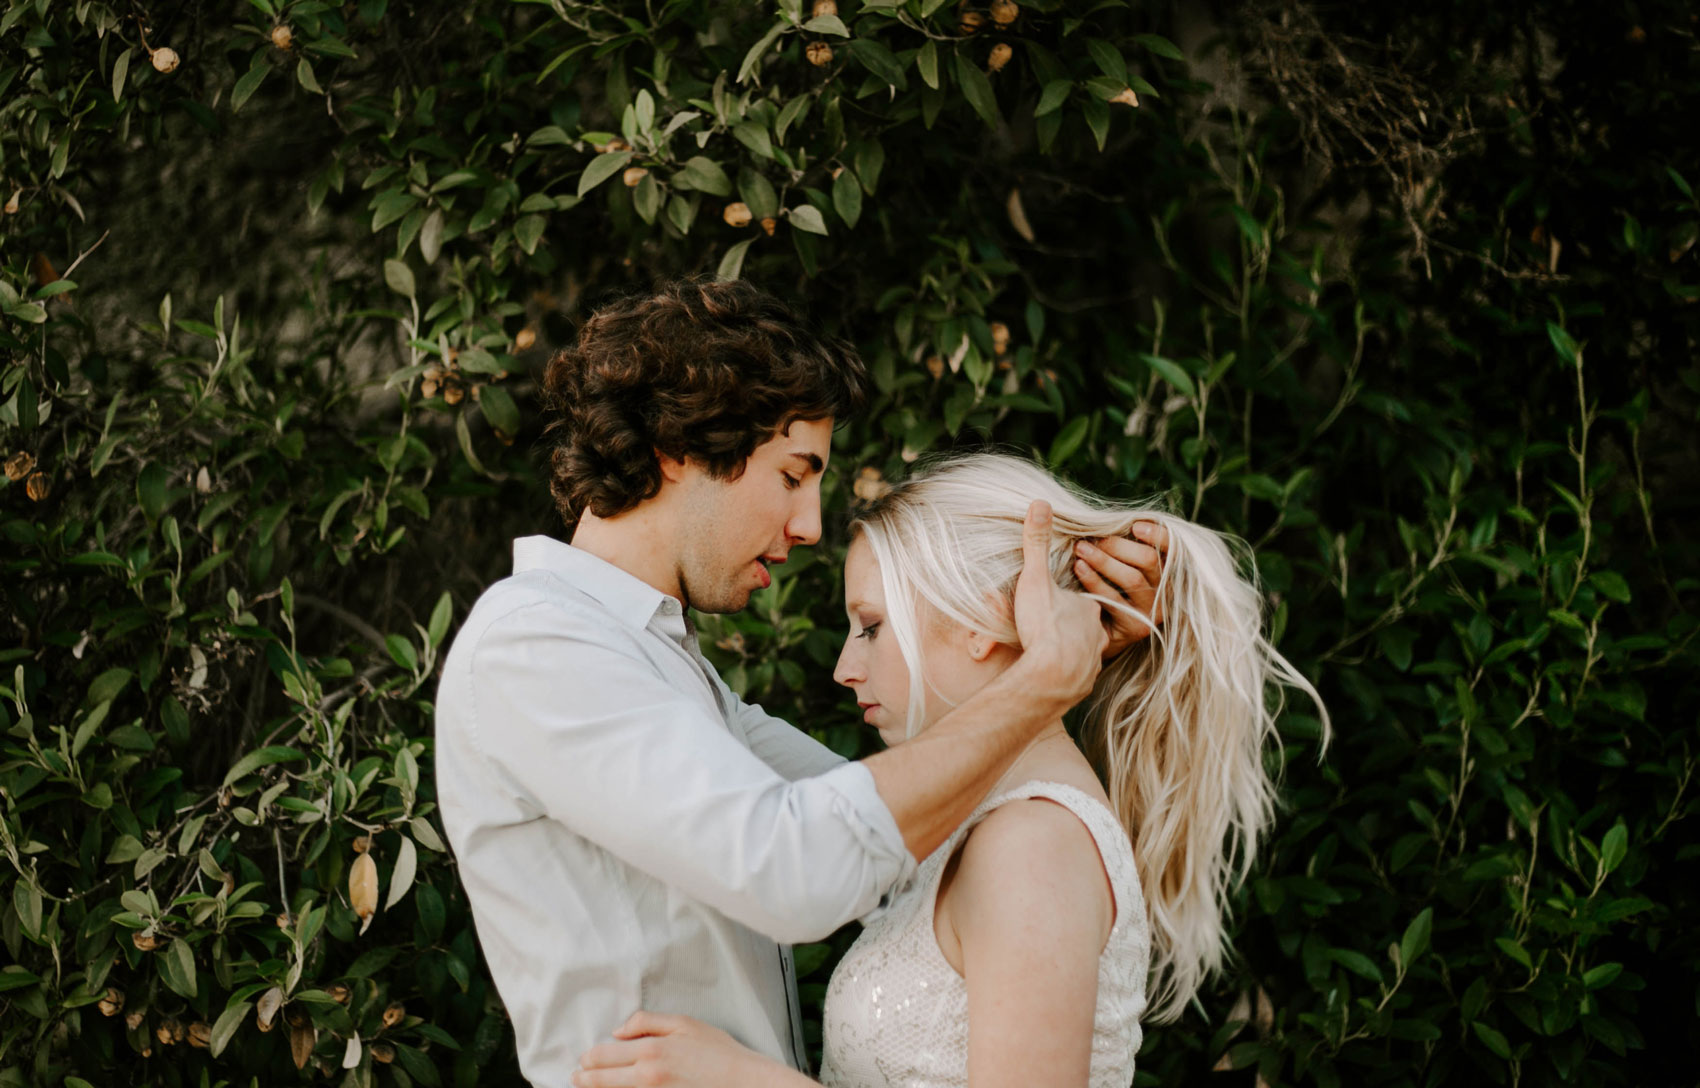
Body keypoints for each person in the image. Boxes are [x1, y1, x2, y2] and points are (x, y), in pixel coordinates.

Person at [433, 281, 1168, 1085]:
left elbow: (897, 836)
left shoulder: (664, 668)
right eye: (793, 476)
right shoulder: (536, 645)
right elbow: (800, 866)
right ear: (677, 449)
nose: (811, 525)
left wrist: (1064, 633)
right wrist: (1041, 681)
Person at [571, 452, 1328, 1088]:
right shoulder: (983, 820)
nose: (843, 667)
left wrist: (742, 1080)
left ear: (981, 620)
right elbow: (738, 745)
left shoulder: (1031, 844)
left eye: (871, 627)